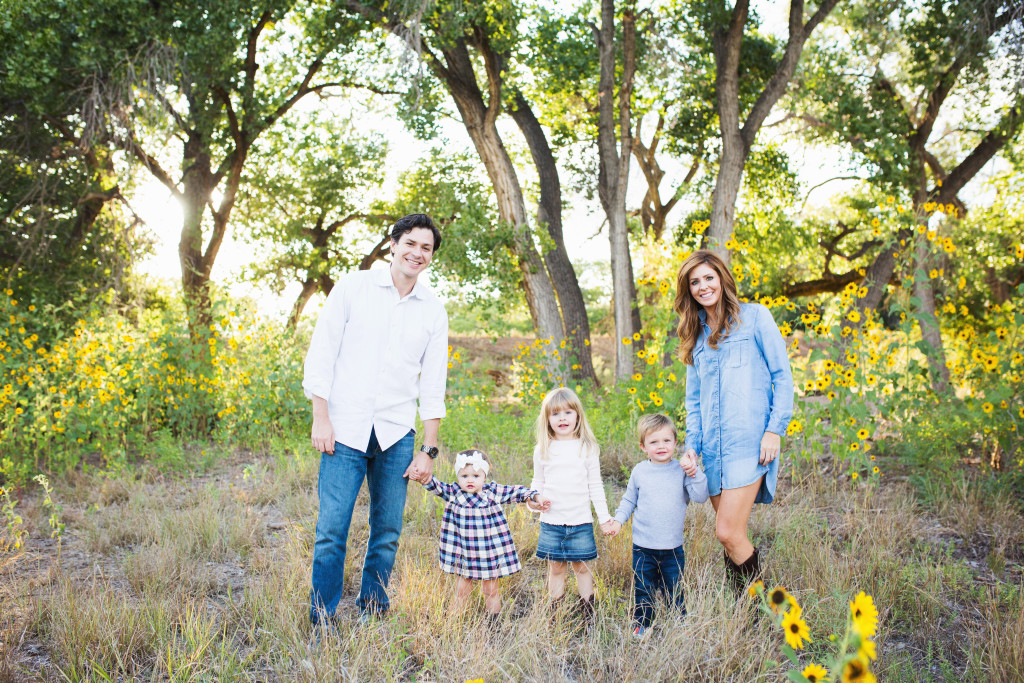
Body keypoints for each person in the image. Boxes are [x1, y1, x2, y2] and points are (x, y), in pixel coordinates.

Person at [303, 213, 448, 625]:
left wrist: (428, 449)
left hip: (396, 435)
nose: (417, 253)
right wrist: (321, 418)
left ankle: (373, 610)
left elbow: (434, 384)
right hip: (344, 430)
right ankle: (323, 619)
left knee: (387, 532)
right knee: (331, 532)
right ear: (393, 243)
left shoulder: (433, 311)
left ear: (431, 257)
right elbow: (322, 354)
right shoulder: (354, 287)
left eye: (426, 248)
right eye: (411, 244)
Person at [672, 249, 793, 595]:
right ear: (689, 290)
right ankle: (743, 609)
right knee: (732, 536)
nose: (703, 286)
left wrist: (774, 430)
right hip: (711, 451)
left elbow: (782, 377)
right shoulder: (694, 336)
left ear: (722, 279)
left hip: (749, 445)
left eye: (709, 278)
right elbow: (694, 401)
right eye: (694, 282)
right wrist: (692, 448)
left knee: (726, 532)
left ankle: (764, 609)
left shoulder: (755, 318)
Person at [603, 414, 709, 636]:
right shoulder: (640, 471)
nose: (661, 446)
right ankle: (643, 625)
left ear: (675, 443)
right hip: (643, 547)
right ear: (643, 446)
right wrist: (618, 521)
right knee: (643, 588)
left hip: (672, 547)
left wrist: (695, 471)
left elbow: (700, 497)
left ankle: (679, 624)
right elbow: (629, 500)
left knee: (674, 589)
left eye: (666, 441)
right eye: (654, 442)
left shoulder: (682, 470)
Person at [422, 449, 551, 615]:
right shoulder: (454, 493)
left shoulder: (492, 492)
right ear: (458, 476)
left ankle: (494, 622)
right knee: (462, 590)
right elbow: (435, 486)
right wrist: (421, 475)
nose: (470, 480)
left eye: (476, 476)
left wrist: (534, 496)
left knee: (491, 590)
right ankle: (456, 621)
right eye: (464, 476)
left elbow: (517, 491)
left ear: (485, 476)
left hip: (489, 553)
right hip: (463, 553)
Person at [529, 387, 613, 621]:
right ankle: (555, 613)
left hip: (580, 521)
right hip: (552, 521)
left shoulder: (587, 448)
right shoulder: (542, 449)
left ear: (578, 416)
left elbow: (596, 486)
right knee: (556, 568)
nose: (562, 418)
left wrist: (604, 518)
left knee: (582, 567)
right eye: (555, 414)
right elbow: (538, 482)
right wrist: (534, 500)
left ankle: (588, 613)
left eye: (568, 412)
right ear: (547, 419)